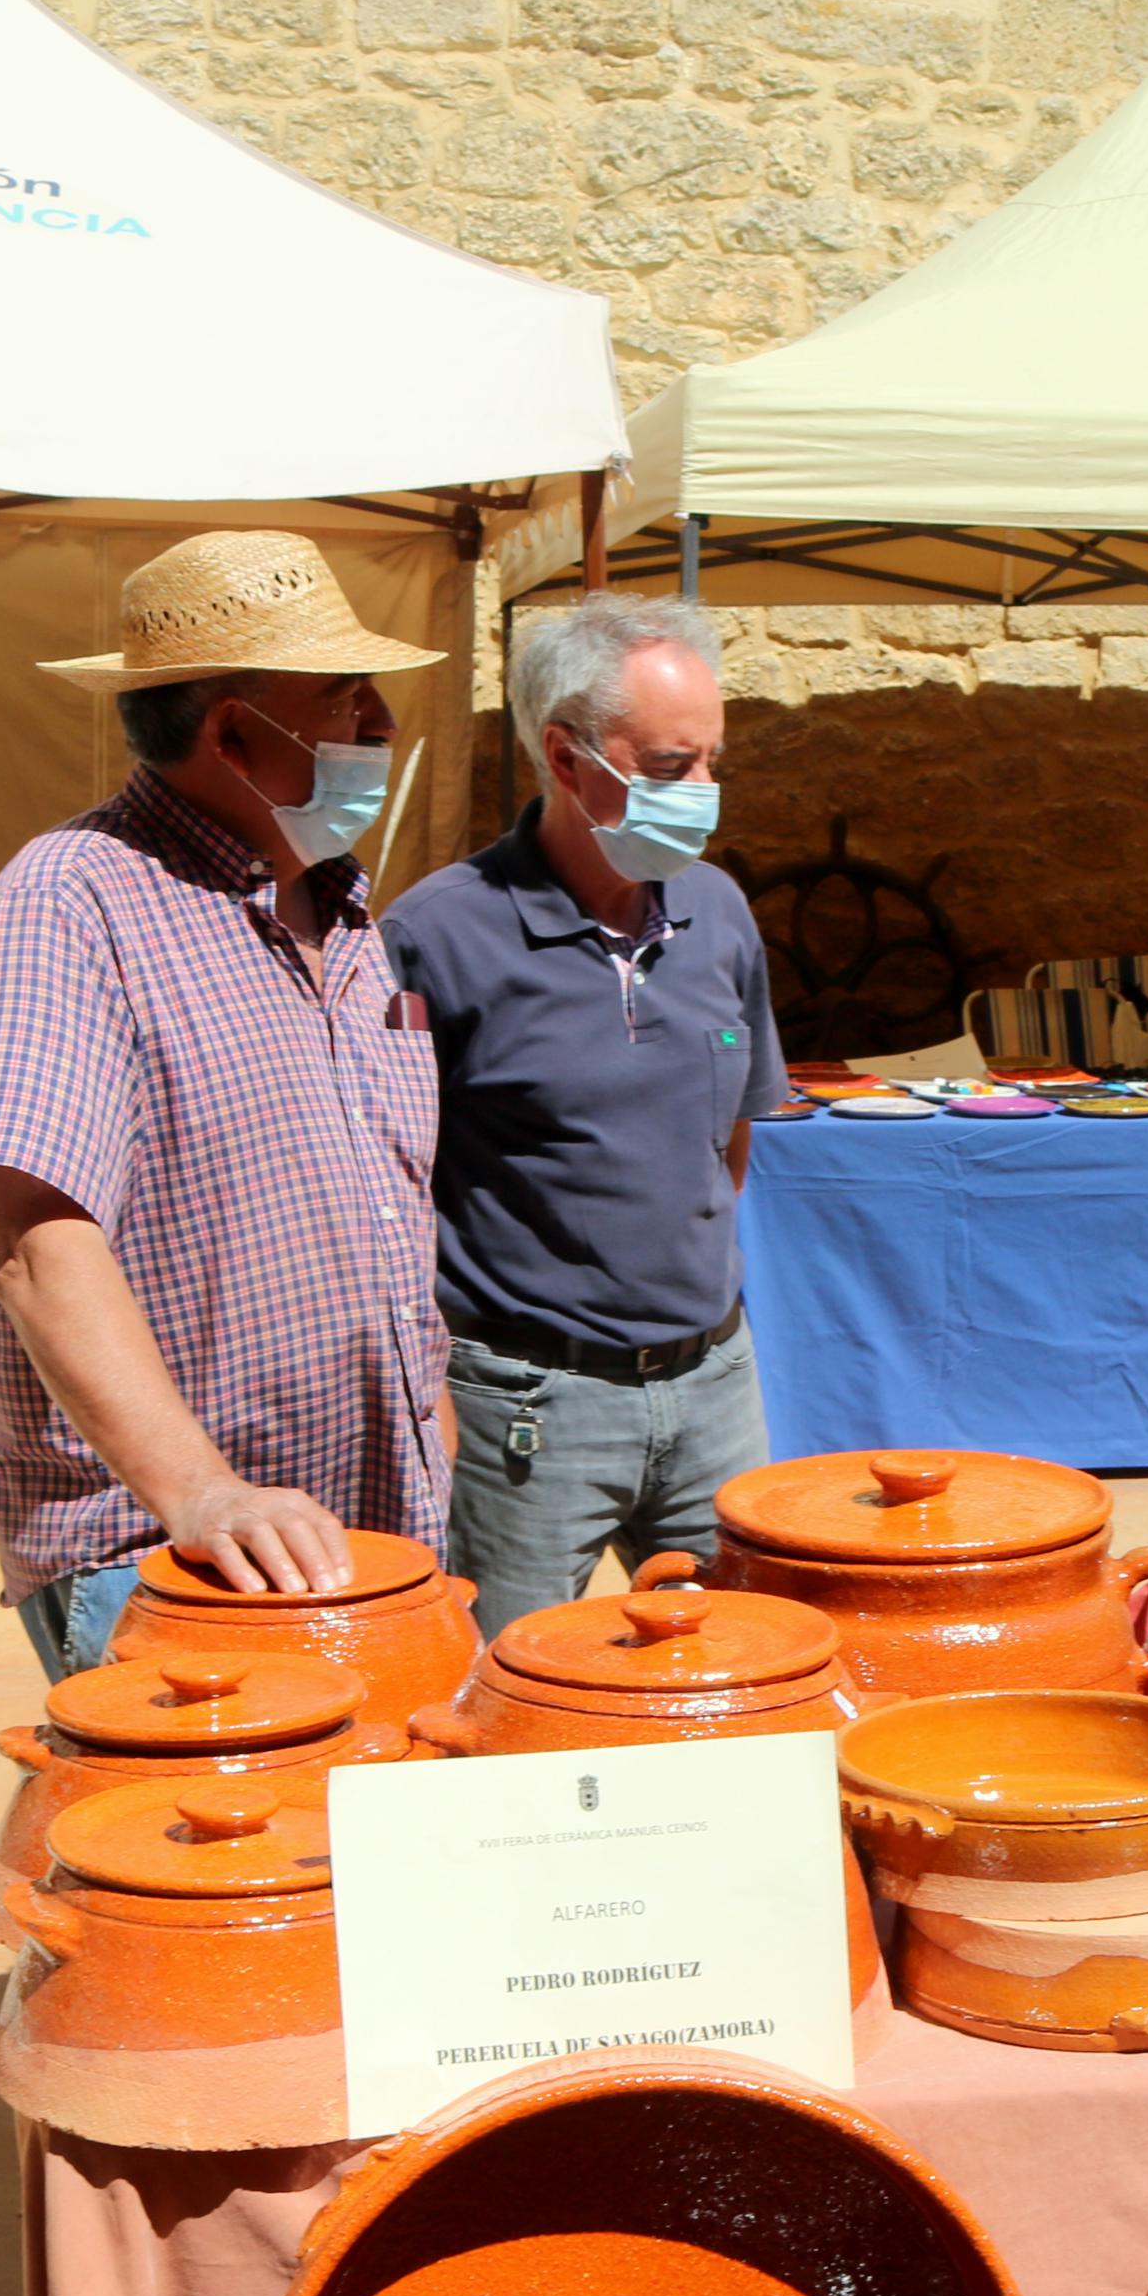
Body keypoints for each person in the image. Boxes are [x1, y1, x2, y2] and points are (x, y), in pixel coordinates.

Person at [0, 529, 452, 1677]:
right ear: (232, 732)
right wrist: (201, 1493)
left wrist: (432, 1450)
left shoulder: (347, 917)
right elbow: (36, 1247)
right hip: (169, 1562)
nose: (382, 725)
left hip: (366, 1540)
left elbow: (390, 1213)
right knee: (212, 1856)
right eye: (343, 696)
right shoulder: (70, 903)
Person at [383, 593, 789, 1633]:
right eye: (665, 768)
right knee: (505, 1697)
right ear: (564, 760)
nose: (700, 793)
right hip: (528, 1409)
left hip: (713, 1388)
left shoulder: (719, 913)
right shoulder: (435, 939)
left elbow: (724, 1145)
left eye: (710, 762)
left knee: (738, 1680)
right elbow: (383, 1189)